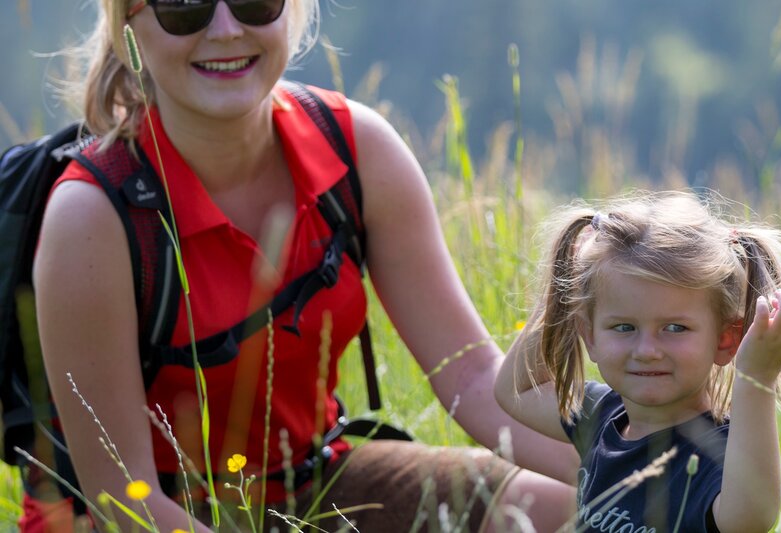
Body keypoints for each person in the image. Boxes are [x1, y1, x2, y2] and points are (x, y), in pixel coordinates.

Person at [27, 0, 577, 531]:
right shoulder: (93, 216)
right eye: (184, 5)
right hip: (152, 512)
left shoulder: (356, 149)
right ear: (130, 24)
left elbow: (475, 377)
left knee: (568, 509)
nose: (224, 29)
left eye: (254, 1)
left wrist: (631, 472)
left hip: (313, 487)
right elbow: (122, 500)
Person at [495, 191, 781, 533]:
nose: (646, 349)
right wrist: (565, 291)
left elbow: (750, 521)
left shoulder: (719, 451)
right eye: (623, 327)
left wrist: (757, 376)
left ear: (726, 339)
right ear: (590, 336)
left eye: (675, 328)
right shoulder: (599, 415)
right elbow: (515, 390)